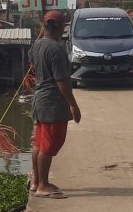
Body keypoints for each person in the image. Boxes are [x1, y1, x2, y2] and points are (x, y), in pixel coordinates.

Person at [29, 11, 81, 199]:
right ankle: (43, 185)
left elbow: (32, 63)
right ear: (60, 28)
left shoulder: (37, 45)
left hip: (39, 100)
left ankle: (36, 181)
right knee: (49, 146)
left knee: (39, 143)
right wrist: (73, 105)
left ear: (44, 26)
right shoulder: (56, 49)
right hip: (52, 103)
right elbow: (62, 81)